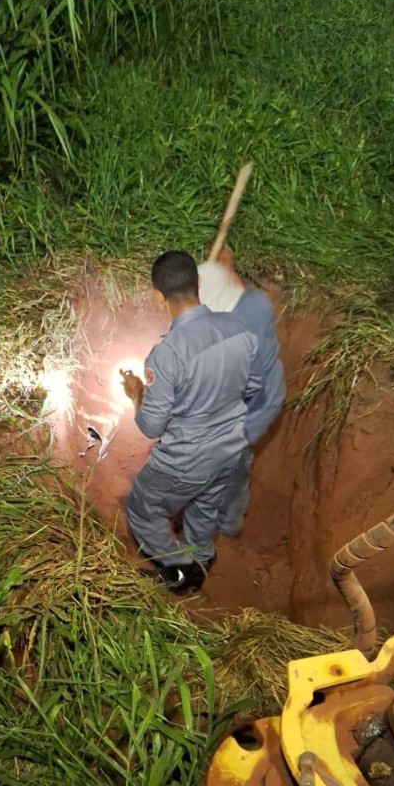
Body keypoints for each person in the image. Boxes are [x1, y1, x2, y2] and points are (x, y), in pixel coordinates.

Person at [121, 250, 260, 593]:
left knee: (142, 507)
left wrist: (137, 393)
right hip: (231, 449)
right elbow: (254, 387)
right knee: (205, 504)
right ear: (198, 282)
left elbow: (151, 427)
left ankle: (180, 569)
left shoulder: (166, 355)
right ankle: (201, 555)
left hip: (186, 459)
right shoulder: (239, 328)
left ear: (158, 296)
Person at [197, 246, 286, 538]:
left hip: (255, 410)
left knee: (232, 462)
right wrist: (226, 270)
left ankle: (228, 522)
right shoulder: (255, 303)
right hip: (266, 388)